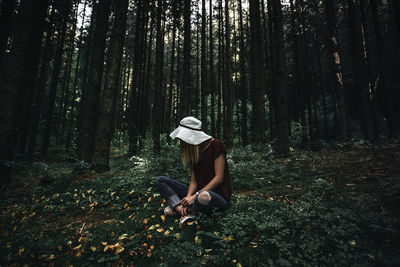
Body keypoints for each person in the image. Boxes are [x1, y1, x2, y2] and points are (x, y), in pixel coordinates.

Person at [154, 116, 231, 225]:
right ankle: (180, 209)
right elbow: (194, 182)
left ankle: (190, 212)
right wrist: (187, 199)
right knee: (160, 180)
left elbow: (218, 178)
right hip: (197, 194)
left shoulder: (216, 145)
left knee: (203, 196)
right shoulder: (195, 151)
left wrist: (194, 197)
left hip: (215, 196)